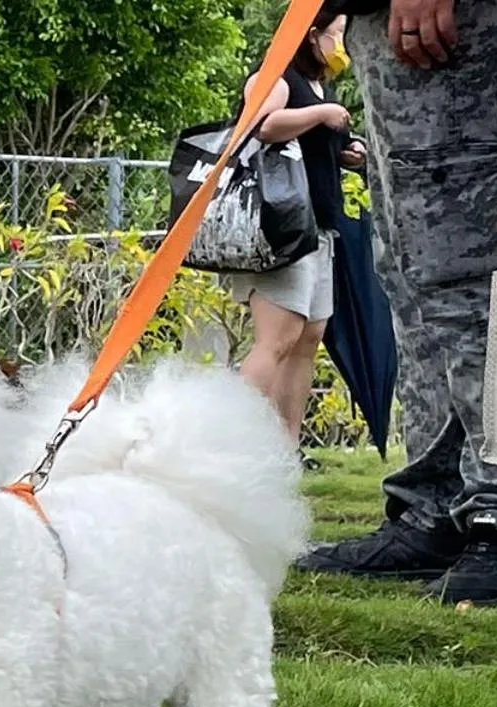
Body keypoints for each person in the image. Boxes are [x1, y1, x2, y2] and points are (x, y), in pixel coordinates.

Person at [296, 0, 497, 605]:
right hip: (393, 33)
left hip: (454, 27)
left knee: (463, 275)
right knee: (412, 276)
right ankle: (438, 506)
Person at [224, 10, 365, 443]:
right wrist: (320, 114)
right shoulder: (278, 76)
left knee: (307, 338)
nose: (342, 44)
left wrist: (348, 149)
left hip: (320, 228)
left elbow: (319, 141)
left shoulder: (322, 87)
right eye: (337, 34)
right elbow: (260, 126)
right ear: (311, 35)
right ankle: (219, 435)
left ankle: (286, 445)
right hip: (283, 229)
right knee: (277, 338)